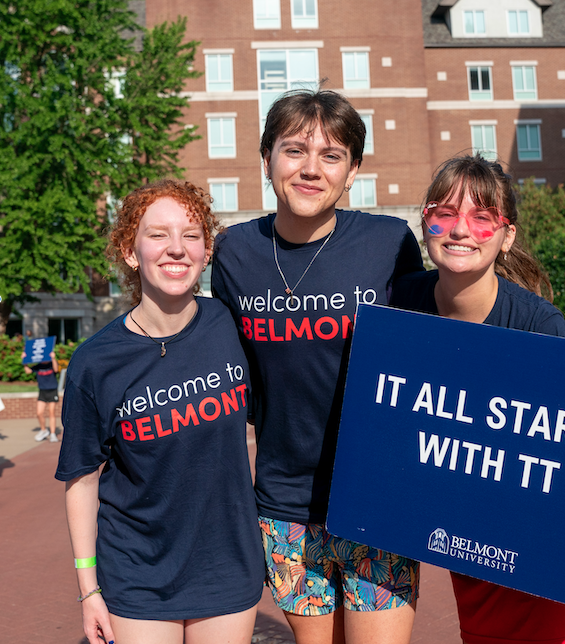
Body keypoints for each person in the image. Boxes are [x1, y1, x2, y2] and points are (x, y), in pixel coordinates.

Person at [390, 154, 565, 644]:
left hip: (549, 570)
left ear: (506, 236)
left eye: (482, 217)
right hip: (473, 549)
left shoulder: (541, 331)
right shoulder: (400, 308)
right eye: (445, 213)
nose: (460, 230)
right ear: (426, 221)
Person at [212, 89, 425, 644]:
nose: (311, 169)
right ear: (267, 160)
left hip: (375, 500)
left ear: (353, 169)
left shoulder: (388, 243)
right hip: (284, 505)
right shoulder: (233, 253)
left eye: (331, 155)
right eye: (294, 150)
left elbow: (436, 356)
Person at [55, 180, 264, 644]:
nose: (176, 248)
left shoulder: (231, 325)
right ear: (131, 252)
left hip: (227, 566)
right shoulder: (96, 361)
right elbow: (82, 479)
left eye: (191, 235)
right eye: (157, 235)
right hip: (137, 574)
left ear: (207, 251)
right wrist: (89, 590)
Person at [22, 335, 60, 442]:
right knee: (39, 413)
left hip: (52, 389)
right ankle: (44, 430)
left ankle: (53, 434)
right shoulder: (38, 365)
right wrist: (24, 360)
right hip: (42, 391)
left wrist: (53, 358)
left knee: (51, 412)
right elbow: (28, 371)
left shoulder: (50, 364)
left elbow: (56, 369)